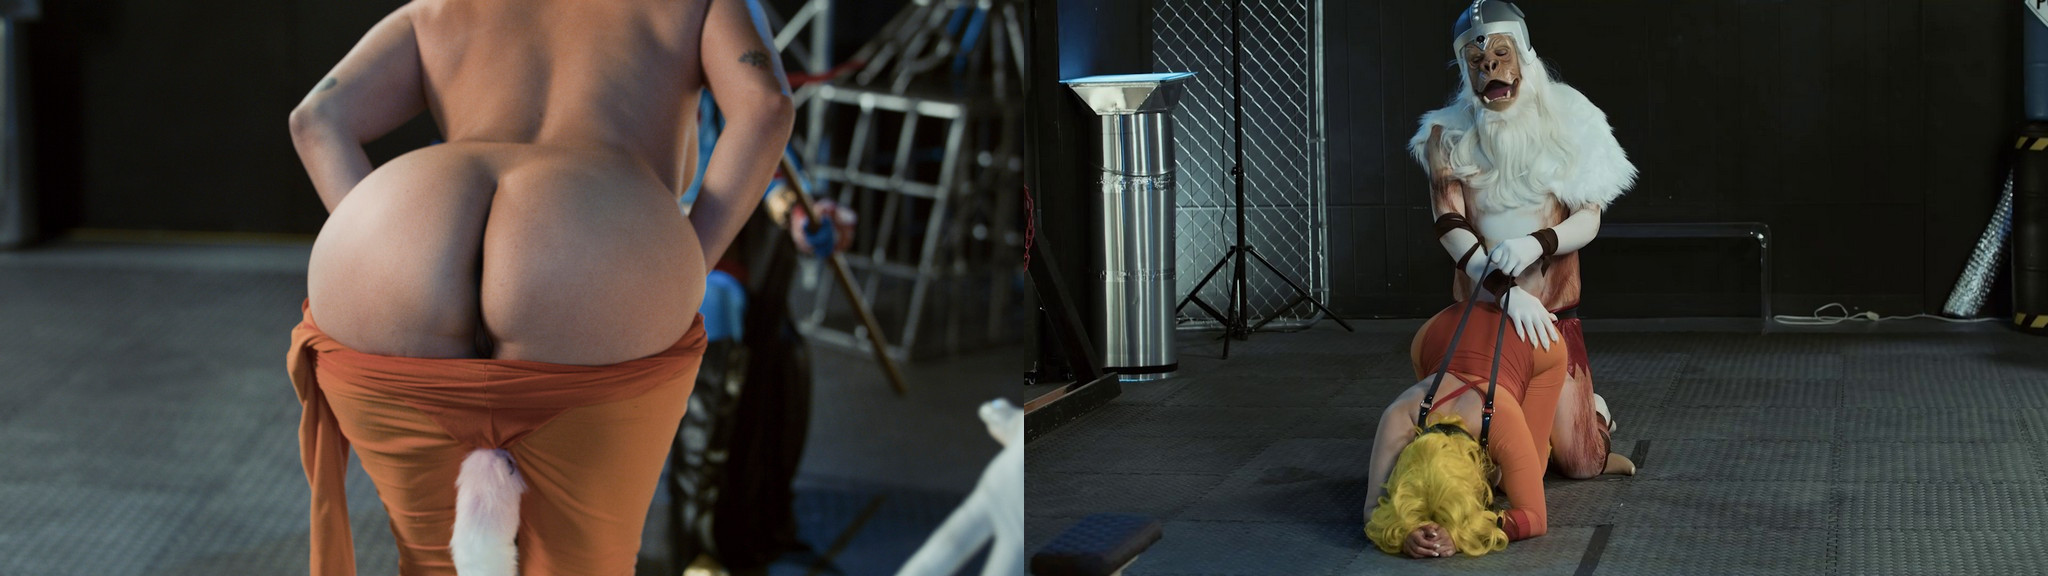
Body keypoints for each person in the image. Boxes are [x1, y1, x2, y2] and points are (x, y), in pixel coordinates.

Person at [284, 0, 794, 573]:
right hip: (597, 243)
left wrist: (381, 247)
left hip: (396, 231)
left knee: (430, 564)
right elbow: (767, 107)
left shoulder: (437, 7)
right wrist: (687, 265)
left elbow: (315, 118)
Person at [1410, 0, 1635, 480]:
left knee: (1582, 463)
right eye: (1477, 60)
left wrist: (1539, 242)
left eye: (1500, 54)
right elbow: (1449, 224)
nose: (1489, 68)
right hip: (1485, 316)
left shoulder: (1573, 119)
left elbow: (1589, 218)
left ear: (1524, 56)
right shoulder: (1445, 135)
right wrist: (1503, 291)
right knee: (1491, 467)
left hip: (1552, 317)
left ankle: (1591, 412)